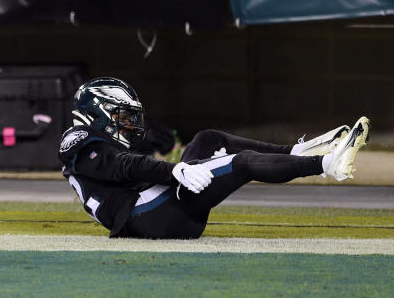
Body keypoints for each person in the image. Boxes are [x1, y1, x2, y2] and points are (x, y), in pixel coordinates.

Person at [58, 77, 370, 239]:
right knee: (241, 162)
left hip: (159, 213)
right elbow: (124, 166)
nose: (127, 121)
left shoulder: (94, 144)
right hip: (147, 217)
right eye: (120, 114)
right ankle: (327, 164)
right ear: (96, 113)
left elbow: (127, 165)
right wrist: (175, 171)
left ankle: (295, 152)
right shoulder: (77, 141)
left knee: (208, 139)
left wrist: (176, 169)